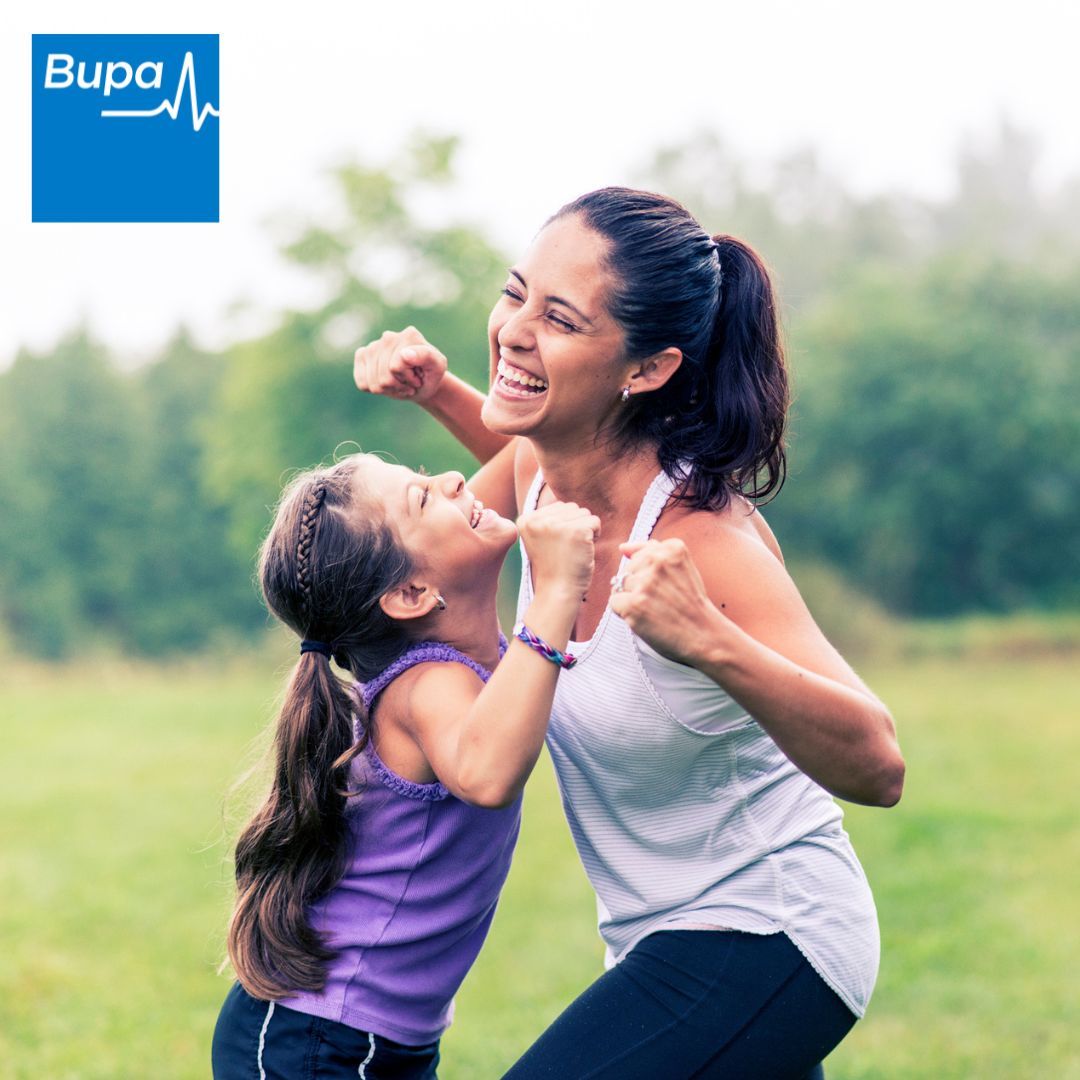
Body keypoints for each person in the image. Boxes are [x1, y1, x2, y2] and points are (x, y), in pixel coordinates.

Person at [352, 187, 906, 1078]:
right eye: (515, 293)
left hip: (770, 930)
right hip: (657, 937)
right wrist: (441, 391)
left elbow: (879, 765)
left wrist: (711, 643)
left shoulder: (701, 541)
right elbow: (468, 516)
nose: (515, 329)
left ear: (645, 370)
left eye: (561, 319)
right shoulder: (537, 478)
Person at [211, 450, 601, 1078]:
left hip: (361, 1036)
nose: (453, 480)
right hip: (321, 1041)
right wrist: (555, 593)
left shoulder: (454, 650)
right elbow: (487, 775)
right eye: (423, 496)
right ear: (412, 593)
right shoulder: (427, 685)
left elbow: (528, 450)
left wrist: (448, 389)